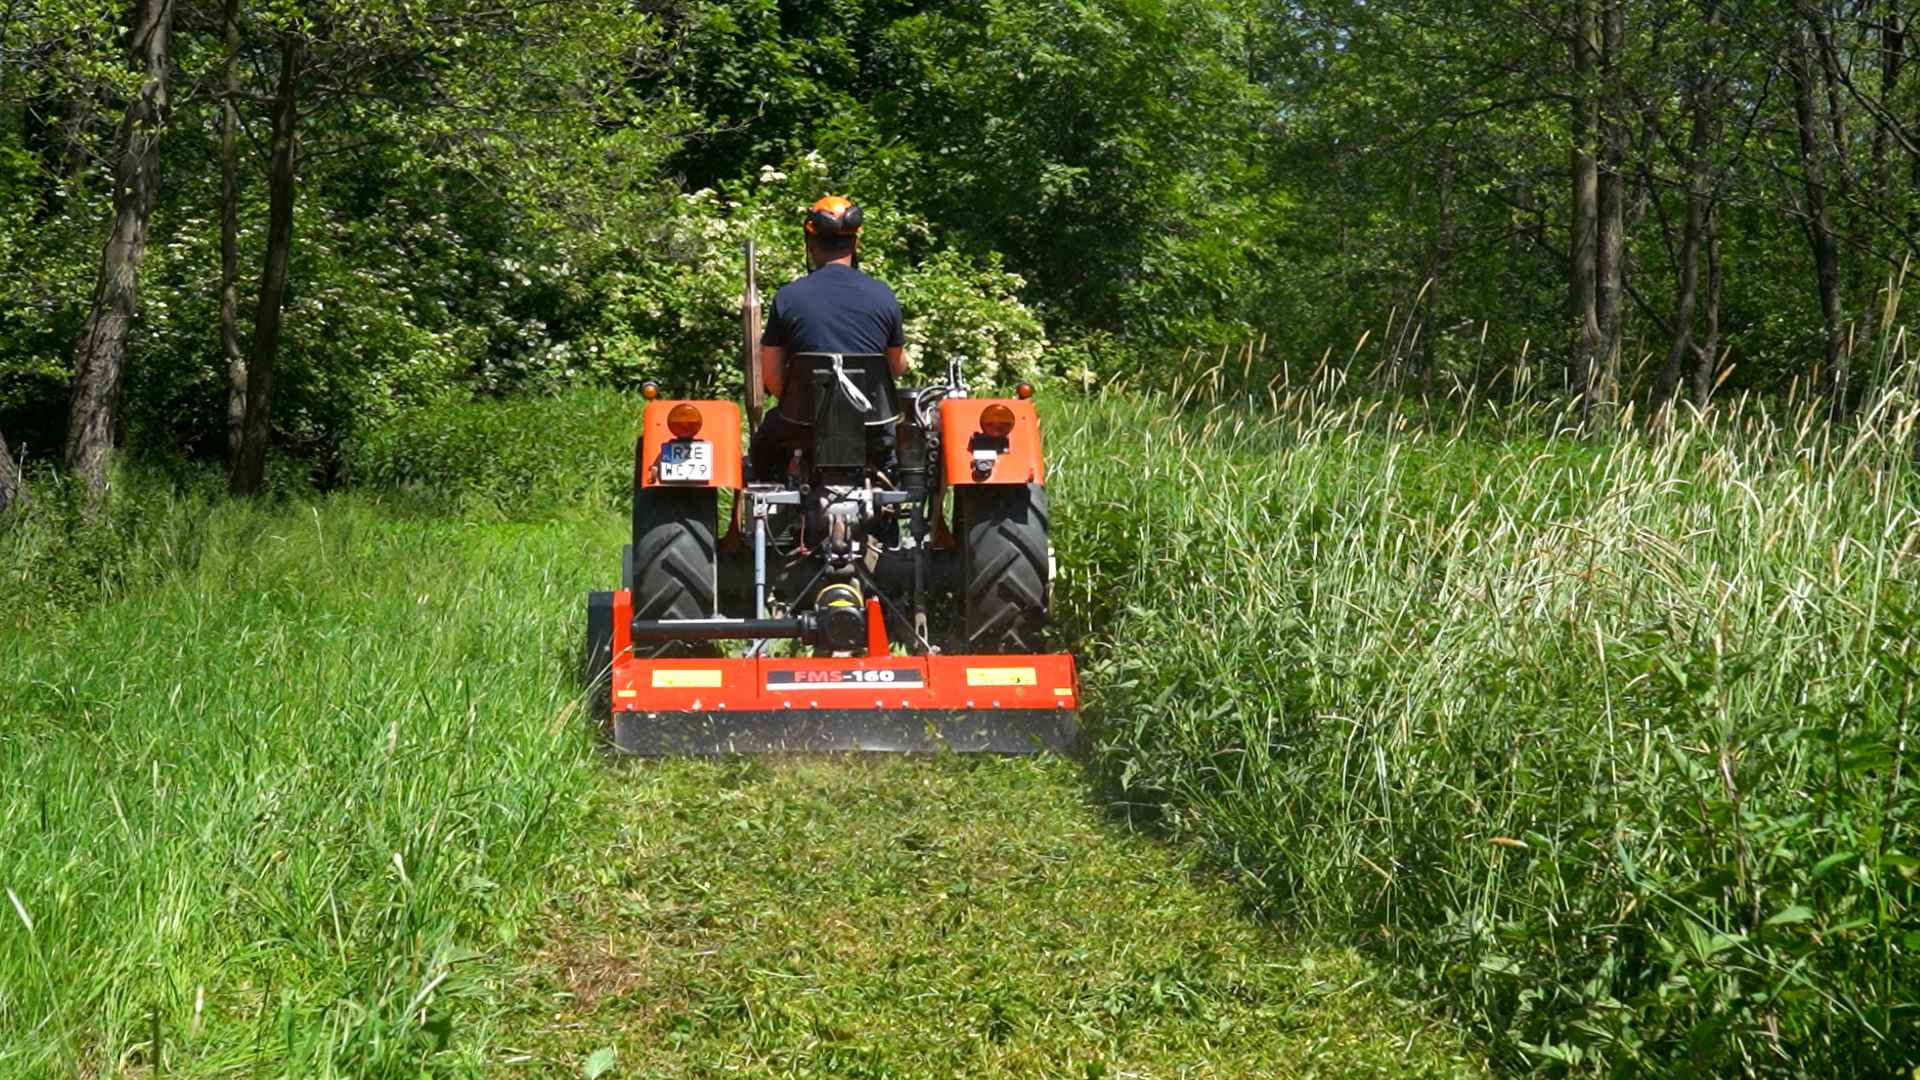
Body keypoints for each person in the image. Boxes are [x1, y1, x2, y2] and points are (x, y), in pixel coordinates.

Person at [749, 194, 909, 480]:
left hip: (799, 426)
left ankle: (768, 514)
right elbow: (895, 368)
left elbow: (770, 374)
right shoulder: (883, 295)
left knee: (764, 448)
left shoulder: (788, 297)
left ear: (810, 245)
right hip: (871, 427)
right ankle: (887, 519)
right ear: (856, 242)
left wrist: (798, 402)